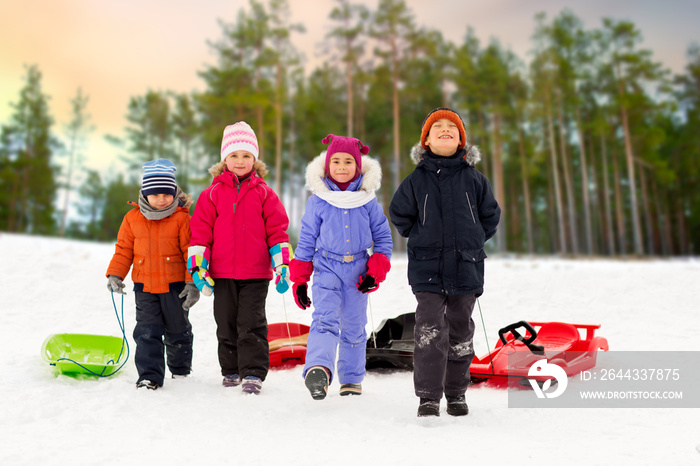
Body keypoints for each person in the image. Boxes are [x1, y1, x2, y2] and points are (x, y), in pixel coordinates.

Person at [389, 107, 501, 417]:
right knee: (429, 331)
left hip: (466, 266)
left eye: (451, 127)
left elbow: (491, 215)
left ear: (461, 140)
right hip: (427, 268)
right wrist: (421, 236)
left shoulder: (475, 179)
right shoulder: (415, 181)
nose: (444, 129)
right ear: (426, 140)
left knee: (460, 329)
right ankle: (428, 397)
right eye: (437, 126)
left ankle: (456, 393)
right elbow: (399, 213)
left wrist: (474, 238)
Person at [187, 121, 292, 395]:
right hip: (221, 273)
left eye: (246, 155)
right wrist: (199, 268)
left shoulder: (265, 194)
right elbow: (200, 235)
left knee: (252, 322)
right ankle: (231, 369)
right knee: (226, 321)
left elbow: (278, 232)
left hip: (256, 274)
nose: (240, 161)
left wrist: (281, 265)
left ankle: (253, 373)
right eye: (234, 155)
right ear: (224, 160)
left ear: (255, 159)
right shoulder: (211, 195)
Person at [291, 134, 393, 400]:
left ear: (358, 167)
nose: (342, 167)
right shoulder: (318, 200)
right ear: (327, 165)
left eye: (348, 161)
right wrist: (300, 279)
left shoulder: (368, 200)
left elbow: (383, 239)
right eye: (336, 161)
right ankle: (319, 370)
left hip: (358, 269)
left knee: (354, 326)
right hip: (326, 267)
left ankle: (351, 378)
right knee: (324, 321)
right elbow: (306, 240)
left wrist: (375, 270)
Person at [106, 158, 198, 390]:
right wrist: (115, 274)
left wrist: (192, 282)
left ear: (175, 193)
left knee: (178, 330)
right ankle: (150, 375)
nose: (161, 199)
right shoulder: (132, 219)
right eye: (155, 194)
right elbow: (124, 249)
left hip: (175, 286)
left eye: (167, 194)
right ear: (145, 194)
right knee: (147, 332)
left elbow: (191, 253)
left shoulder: (182, 218)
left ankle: (180, 369)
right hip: (144, 287)